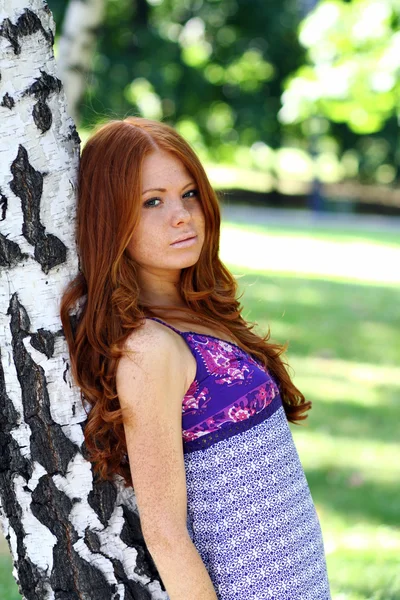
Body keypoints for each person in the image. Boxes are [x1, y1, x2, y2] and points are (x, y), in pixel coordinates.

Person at [60, 116, 331, 599]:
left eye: (188, 194)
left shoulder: (197, 312)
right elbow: (166, 532)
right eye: (152, 202)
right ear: (110, 220)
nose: (182, 215)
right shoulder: (151, 348)